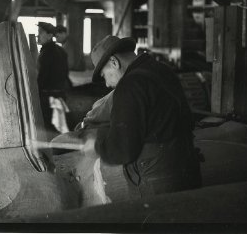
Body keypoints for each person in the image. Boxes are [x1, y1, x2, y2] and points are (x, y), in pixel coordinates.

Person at [82, 35, 202, 199]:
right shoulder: (163, 70)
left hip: (157, 180)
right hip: (187, 167)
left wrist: (96, 147)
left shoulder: (129, 86)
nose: (107, 84)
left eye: (104, 75)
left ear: (114, 62)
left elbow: (123, 150)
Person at [36, 22, 69, 136]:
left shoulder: (46, 54)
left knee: (49, 129)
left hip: (48, 98)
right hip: (60, 96)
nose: (37, 35)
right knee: (58, 127)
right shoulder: (61, 51)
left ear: (50, 36)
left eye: (40, 32)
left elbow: (41, 79)